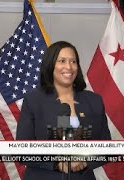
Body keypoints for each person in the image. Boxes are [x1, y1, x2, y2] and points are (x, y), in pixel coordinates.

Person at [16, 41, 111, 180]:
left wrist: (85, 161)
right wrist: (57, 164)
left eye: (73, 61)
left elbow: (106, 146)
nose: (69, 67)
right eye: (62, 61)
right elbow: (22, 150)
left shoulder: (94, 100)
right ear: (50, 65)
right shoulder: (33, 100)